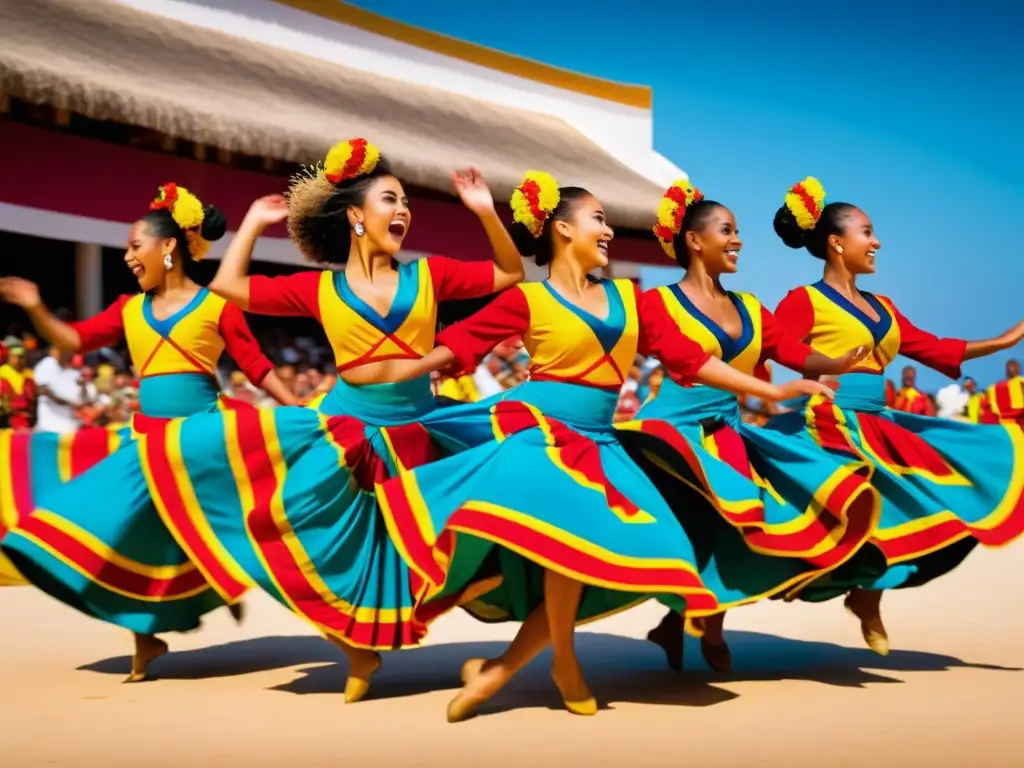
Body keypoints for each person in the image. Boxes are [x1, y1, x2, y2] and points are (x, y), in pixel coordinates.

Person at [372, 172, 834, 721]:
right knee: (571, 546)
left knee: (622, 550)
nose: (610, 230)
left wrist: (770, 387)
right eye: (599, 219)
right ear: (563, 229)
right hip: (534, 434)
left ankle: (535, 663)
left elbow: (691, 360)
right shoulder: (529, 299)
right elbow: (459, 345)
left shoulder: (631, 299)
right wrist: (403, 369)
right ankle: (538, 663)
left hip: (600, 444)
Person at [133, 139, 526, 704]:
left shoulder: (432, 275)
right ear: (355, 218)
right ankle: (356, 649)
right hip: (347, 432)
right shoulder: (321, 289)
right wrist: (250, 224)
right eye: (391, 200)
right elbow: (228, 287)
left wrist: (485, 208)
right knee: (301, 540)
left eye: (407, 203)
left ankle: (462, 597)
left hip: (424, 427)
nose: (404, 211)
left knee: (448, 535)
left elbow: (509, 272)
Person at [0, 182, 294, 681]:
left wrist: (301, 411)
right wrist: (35, 306)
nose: (129, 257)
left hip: (202, 440)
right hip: (146, 443)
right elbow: (74, 339)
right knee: (127, 531)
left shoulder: (216, 306)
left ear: (168, 247)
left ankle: (216, 588)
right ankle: (148, 639)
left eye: (136, 246)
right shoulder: (128, 309)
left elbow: (259, 368)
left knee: (219, 529)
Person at [618, 180, 881, 674]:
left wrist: (836, 361)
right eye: (727, 230)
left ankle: (690, 626)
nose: (738, 239)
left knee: (739, 525)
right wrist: (773, 392)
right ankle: (689, 623)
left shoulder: (751, 309)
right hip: (668, 438)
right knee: (688, 531)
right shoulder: (656, 303)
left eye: (738, 231)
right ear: (694, 241)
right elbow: (690, 361)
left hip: (724, 433)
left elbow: (791, 351)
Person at [766, 176, 1024, 654]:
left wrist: (1007, 340)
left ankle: (867, 596)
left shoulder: (883, 308)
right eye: (867, 232)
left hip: (880, 423)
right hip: (827, 426)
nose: (877, 241)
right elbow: (773, 344)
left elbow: (933, 347)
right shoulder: (805, 300)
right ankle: (706, 615)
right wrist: (782, 385)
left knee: (943, 499)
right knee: (833, 518)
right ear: (837, 243)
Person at [0, 343, 35, 431]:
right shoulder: (2, 373)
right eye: (14, 356)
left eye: (21, 357)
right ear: (8, 358)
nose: (18, 360)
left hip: (29, 418)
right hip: (9, 419)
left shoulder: (29, 374)